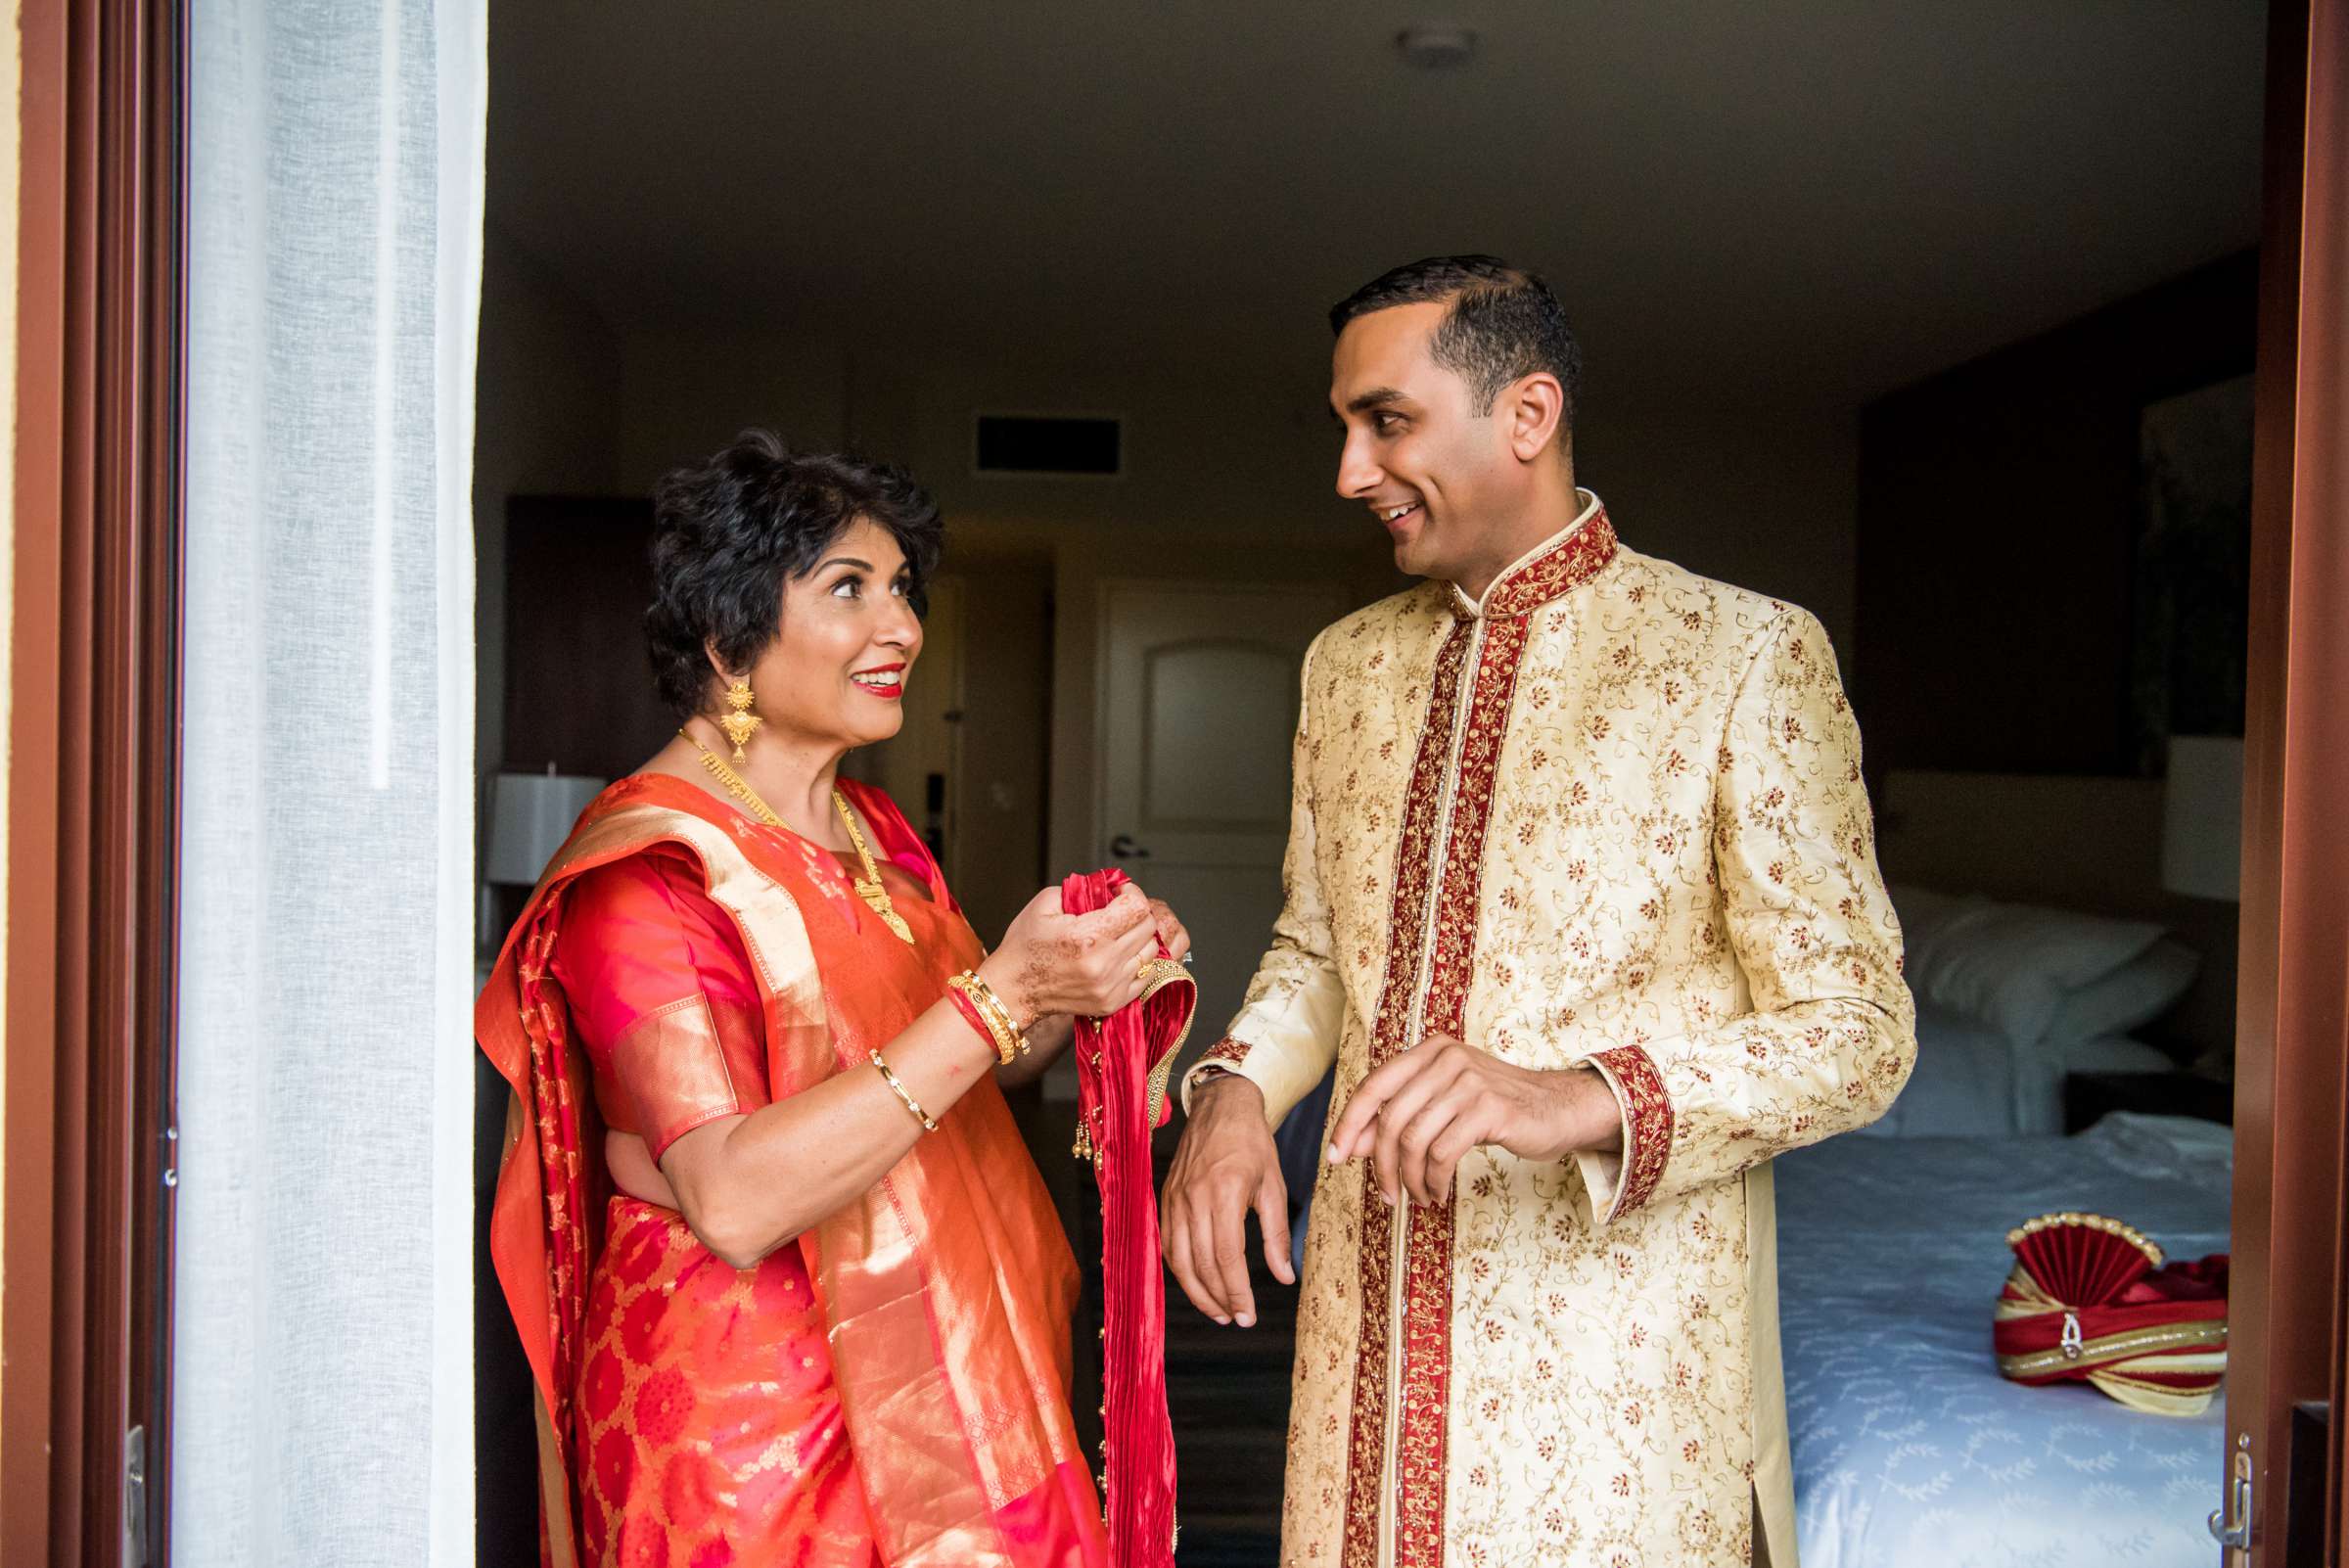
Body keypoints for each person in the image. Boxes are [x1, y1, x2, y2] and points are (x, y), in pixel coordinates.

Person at [1159, 256, 1916, 1568]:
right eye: (1344, 425)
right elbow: (1320, 950)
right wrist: (1233, 1093)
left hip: (1611, 1377)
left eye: (1384, 421)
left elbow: (1860, 1031)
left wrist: (1576, 1095)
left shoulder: (1742, 654)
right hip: (1362, 1342)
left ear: (1527, 414)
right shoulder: (1344, 670)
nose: (1349, 470)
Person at [482, 433, 1185, 1568]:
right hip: (752, 1421)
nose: (902, 628)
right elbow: (737, 1198)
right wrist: (1001, 995)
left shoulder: (876, 834)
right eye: (849, 589)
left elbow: (972, 1063)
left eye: (901, 589)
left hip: (947, 1377)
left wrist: (1071, 981)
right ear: (726, 638)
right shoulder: (650, 876)